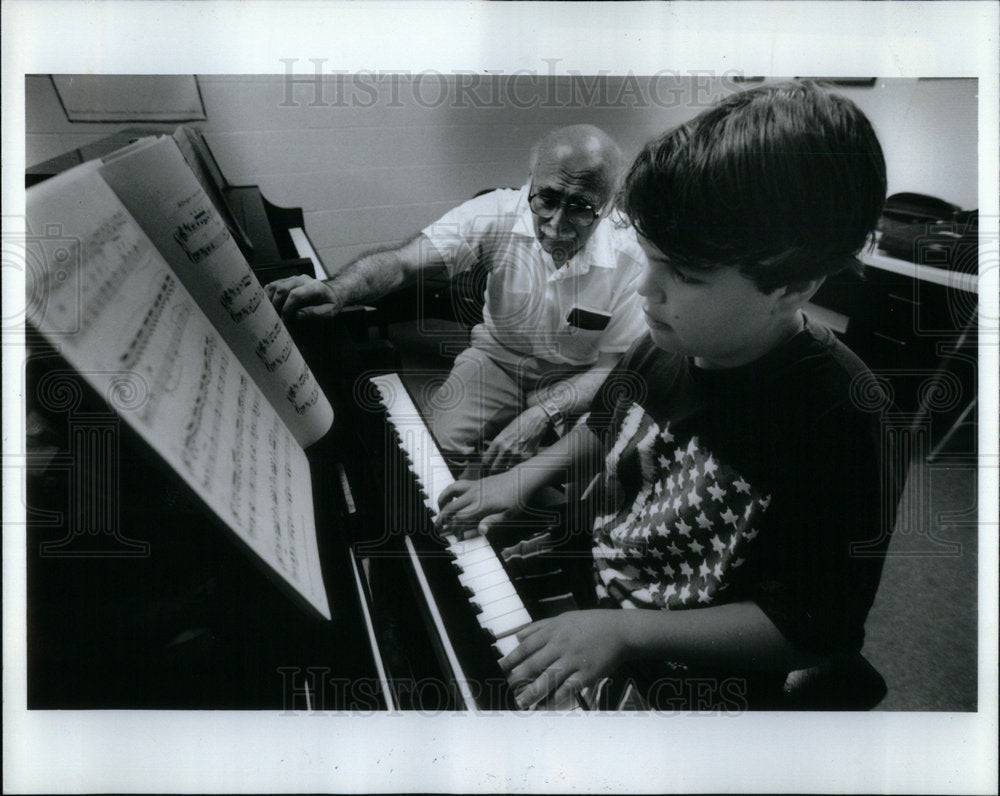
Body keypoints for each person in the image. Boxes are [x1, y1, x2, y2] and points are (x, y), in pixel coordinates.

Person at [435, 82, 896, 710]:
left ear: (792, 285)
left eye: (686, 274)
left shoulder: (838, 412)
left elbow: (811, 631)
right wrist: (515, 483)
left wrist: (627, 631)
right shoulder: (666, 338)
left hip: (686, 660)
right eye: (650, 259)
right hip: (601, 584)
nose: (646, 291)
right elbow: (605, 426)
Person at [266, 125, 648, 474]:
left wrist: (544, 412)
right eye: (547, 198)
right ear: (530, 182)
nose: (556, 223)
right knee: (435, 452)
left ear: (609, 203)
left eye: (580, 208)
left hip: (575, 377)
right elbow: (402, 264)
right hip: (496, 358)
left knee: (584, 472)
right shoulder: (498, 211)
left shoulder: (631, 256)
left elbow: (612, 367)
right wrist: (337, 290)